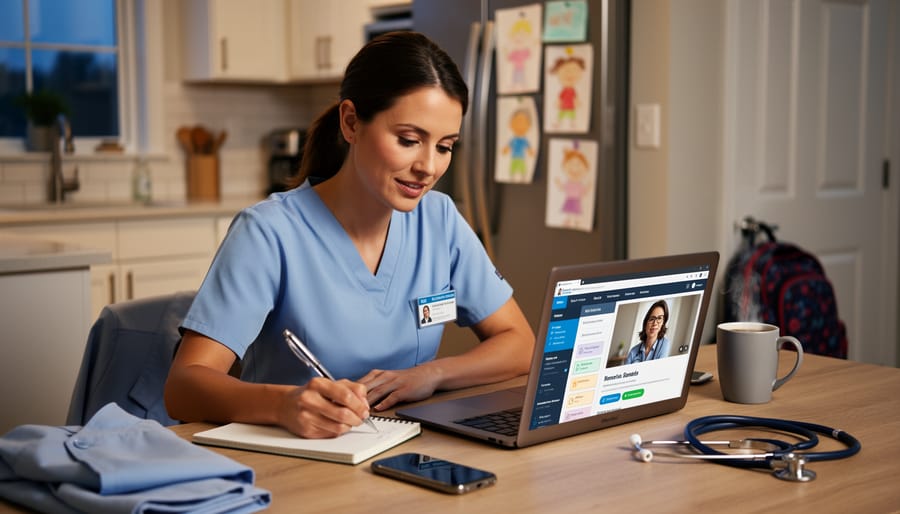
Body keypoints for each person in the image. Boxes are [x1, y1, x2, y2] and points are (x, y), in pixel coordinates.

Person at [164, 32, 534, 440]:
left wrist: (432, 374)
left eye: (445, 147)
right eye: (409, 141)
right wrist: (283, 405)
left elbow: (520, 343)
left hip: (405, 448)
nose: (428, 167)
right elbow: (183, 387)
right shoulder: (268, 232)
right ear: (351, 122)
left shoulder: (440, 220)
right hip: (296, 459)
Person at [625, 300, 671, 364]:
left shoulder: (665, 344)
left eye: (659, 318)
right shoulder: (633, 351)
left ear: (663, 323)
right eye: (652, 319)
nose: (655, 323)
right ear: (645, 324)